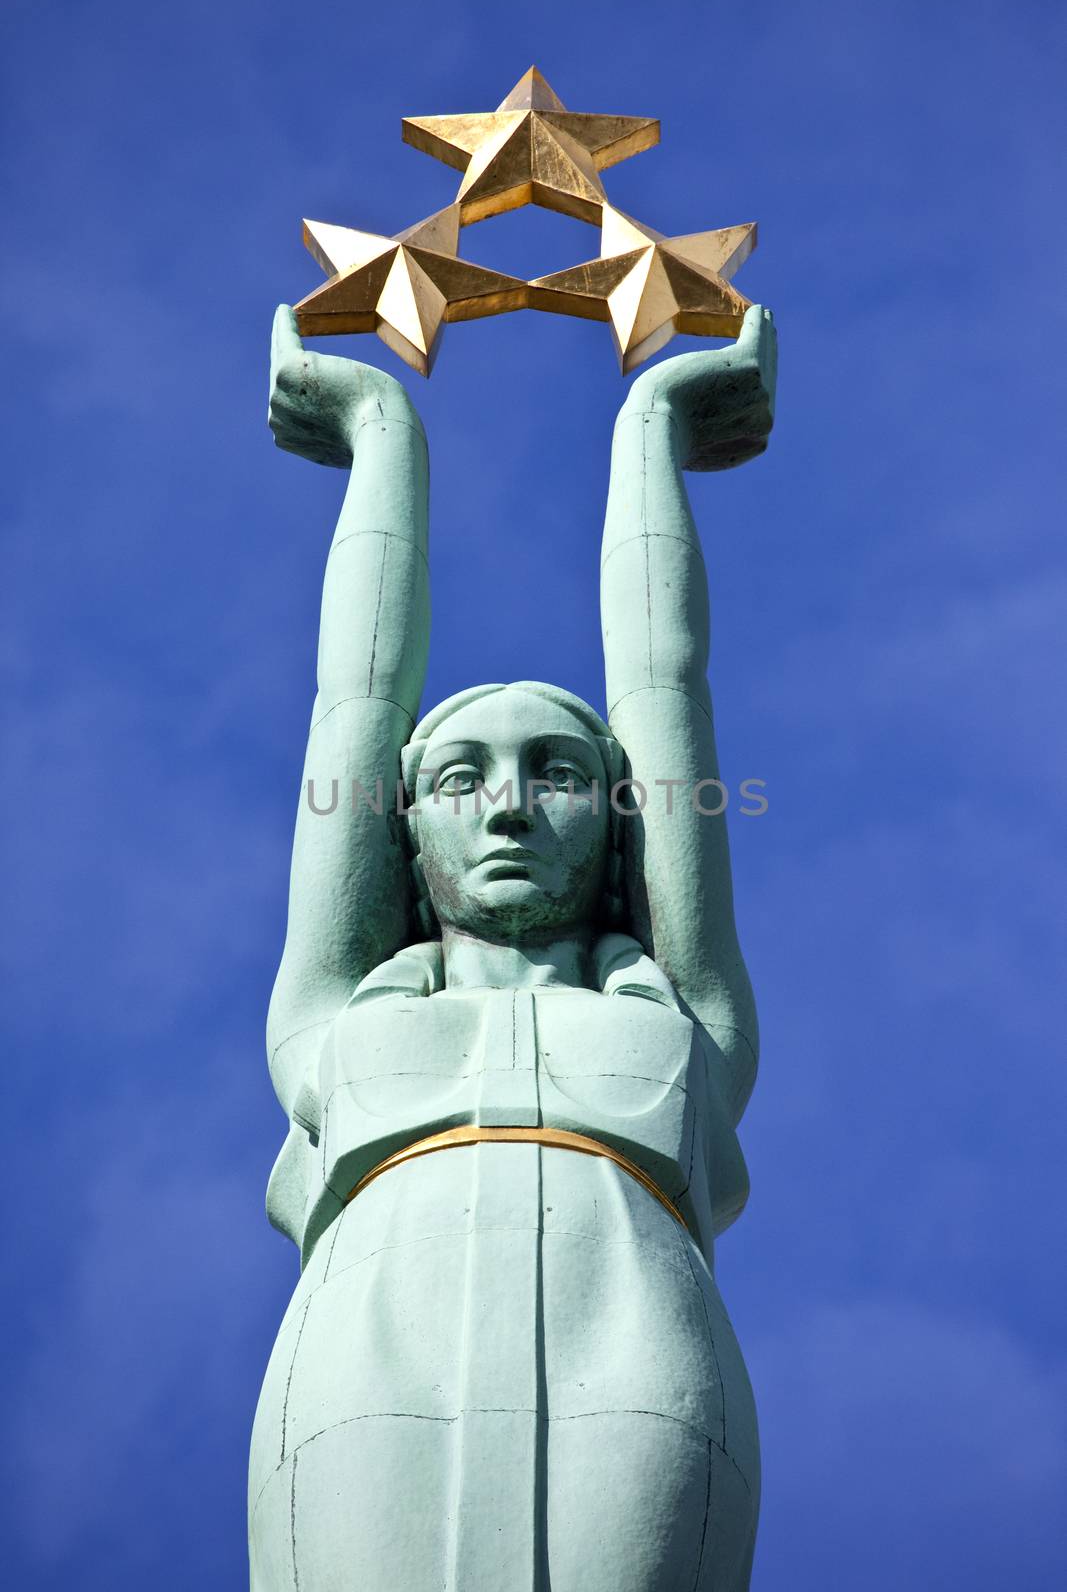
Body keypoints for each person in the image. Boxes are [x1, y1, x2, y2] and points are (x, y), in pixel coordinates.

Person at [249, 302, 777, 1591]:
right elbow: (355, 703)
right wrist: (382, 435)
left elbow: (667, 688)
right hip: (366, 1357)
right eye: (460, 778)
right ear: (403, 834)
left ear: (614, 822)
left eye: (555, 773)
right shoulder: (332, 1021)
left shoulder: (684, 1020)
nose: (503, 806)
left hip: (639, 1337)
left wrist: (654, 425)